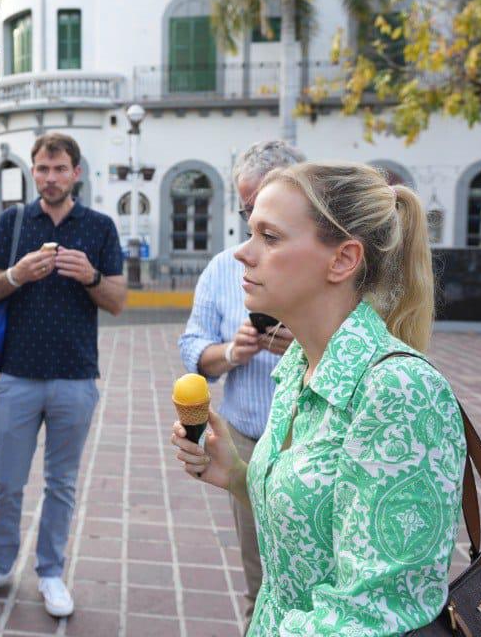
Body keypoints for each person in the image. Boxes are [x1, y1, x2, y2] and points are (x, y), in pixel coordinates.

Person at [171, 162, 466, 635]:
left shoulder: (400, 393)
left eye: (269, 237)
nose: (243, 253)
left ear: (343, 260)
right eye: (251, 232)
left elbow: (374, 615)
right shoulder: (299, 367)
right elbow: (318, 527)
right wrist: (240, 477)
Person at [0, 132, 127, 618]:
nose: (51, 178)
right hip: (18, 376)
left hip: (75, 376)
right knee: (7, 482)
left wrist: (91, 276)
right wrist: (17, 274)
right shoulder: (12, 223)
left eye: (60, 169)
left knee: (61, 484)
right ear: (33, 172)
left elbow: (118, 301)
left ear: (76, 173)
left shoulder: (99, 227)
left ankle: (50, 572)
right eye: (43, 169)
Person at [177, 140, 304, 631]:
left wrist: (306, 344)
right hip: (249, 440)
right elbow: (193, 347)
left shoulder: (323, 271)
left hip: (311, 441)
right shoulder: (224, 268)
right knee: (263, 581)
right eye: (246, 210)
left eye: (264, 207)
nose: (253, 223)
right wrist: (233, 352)